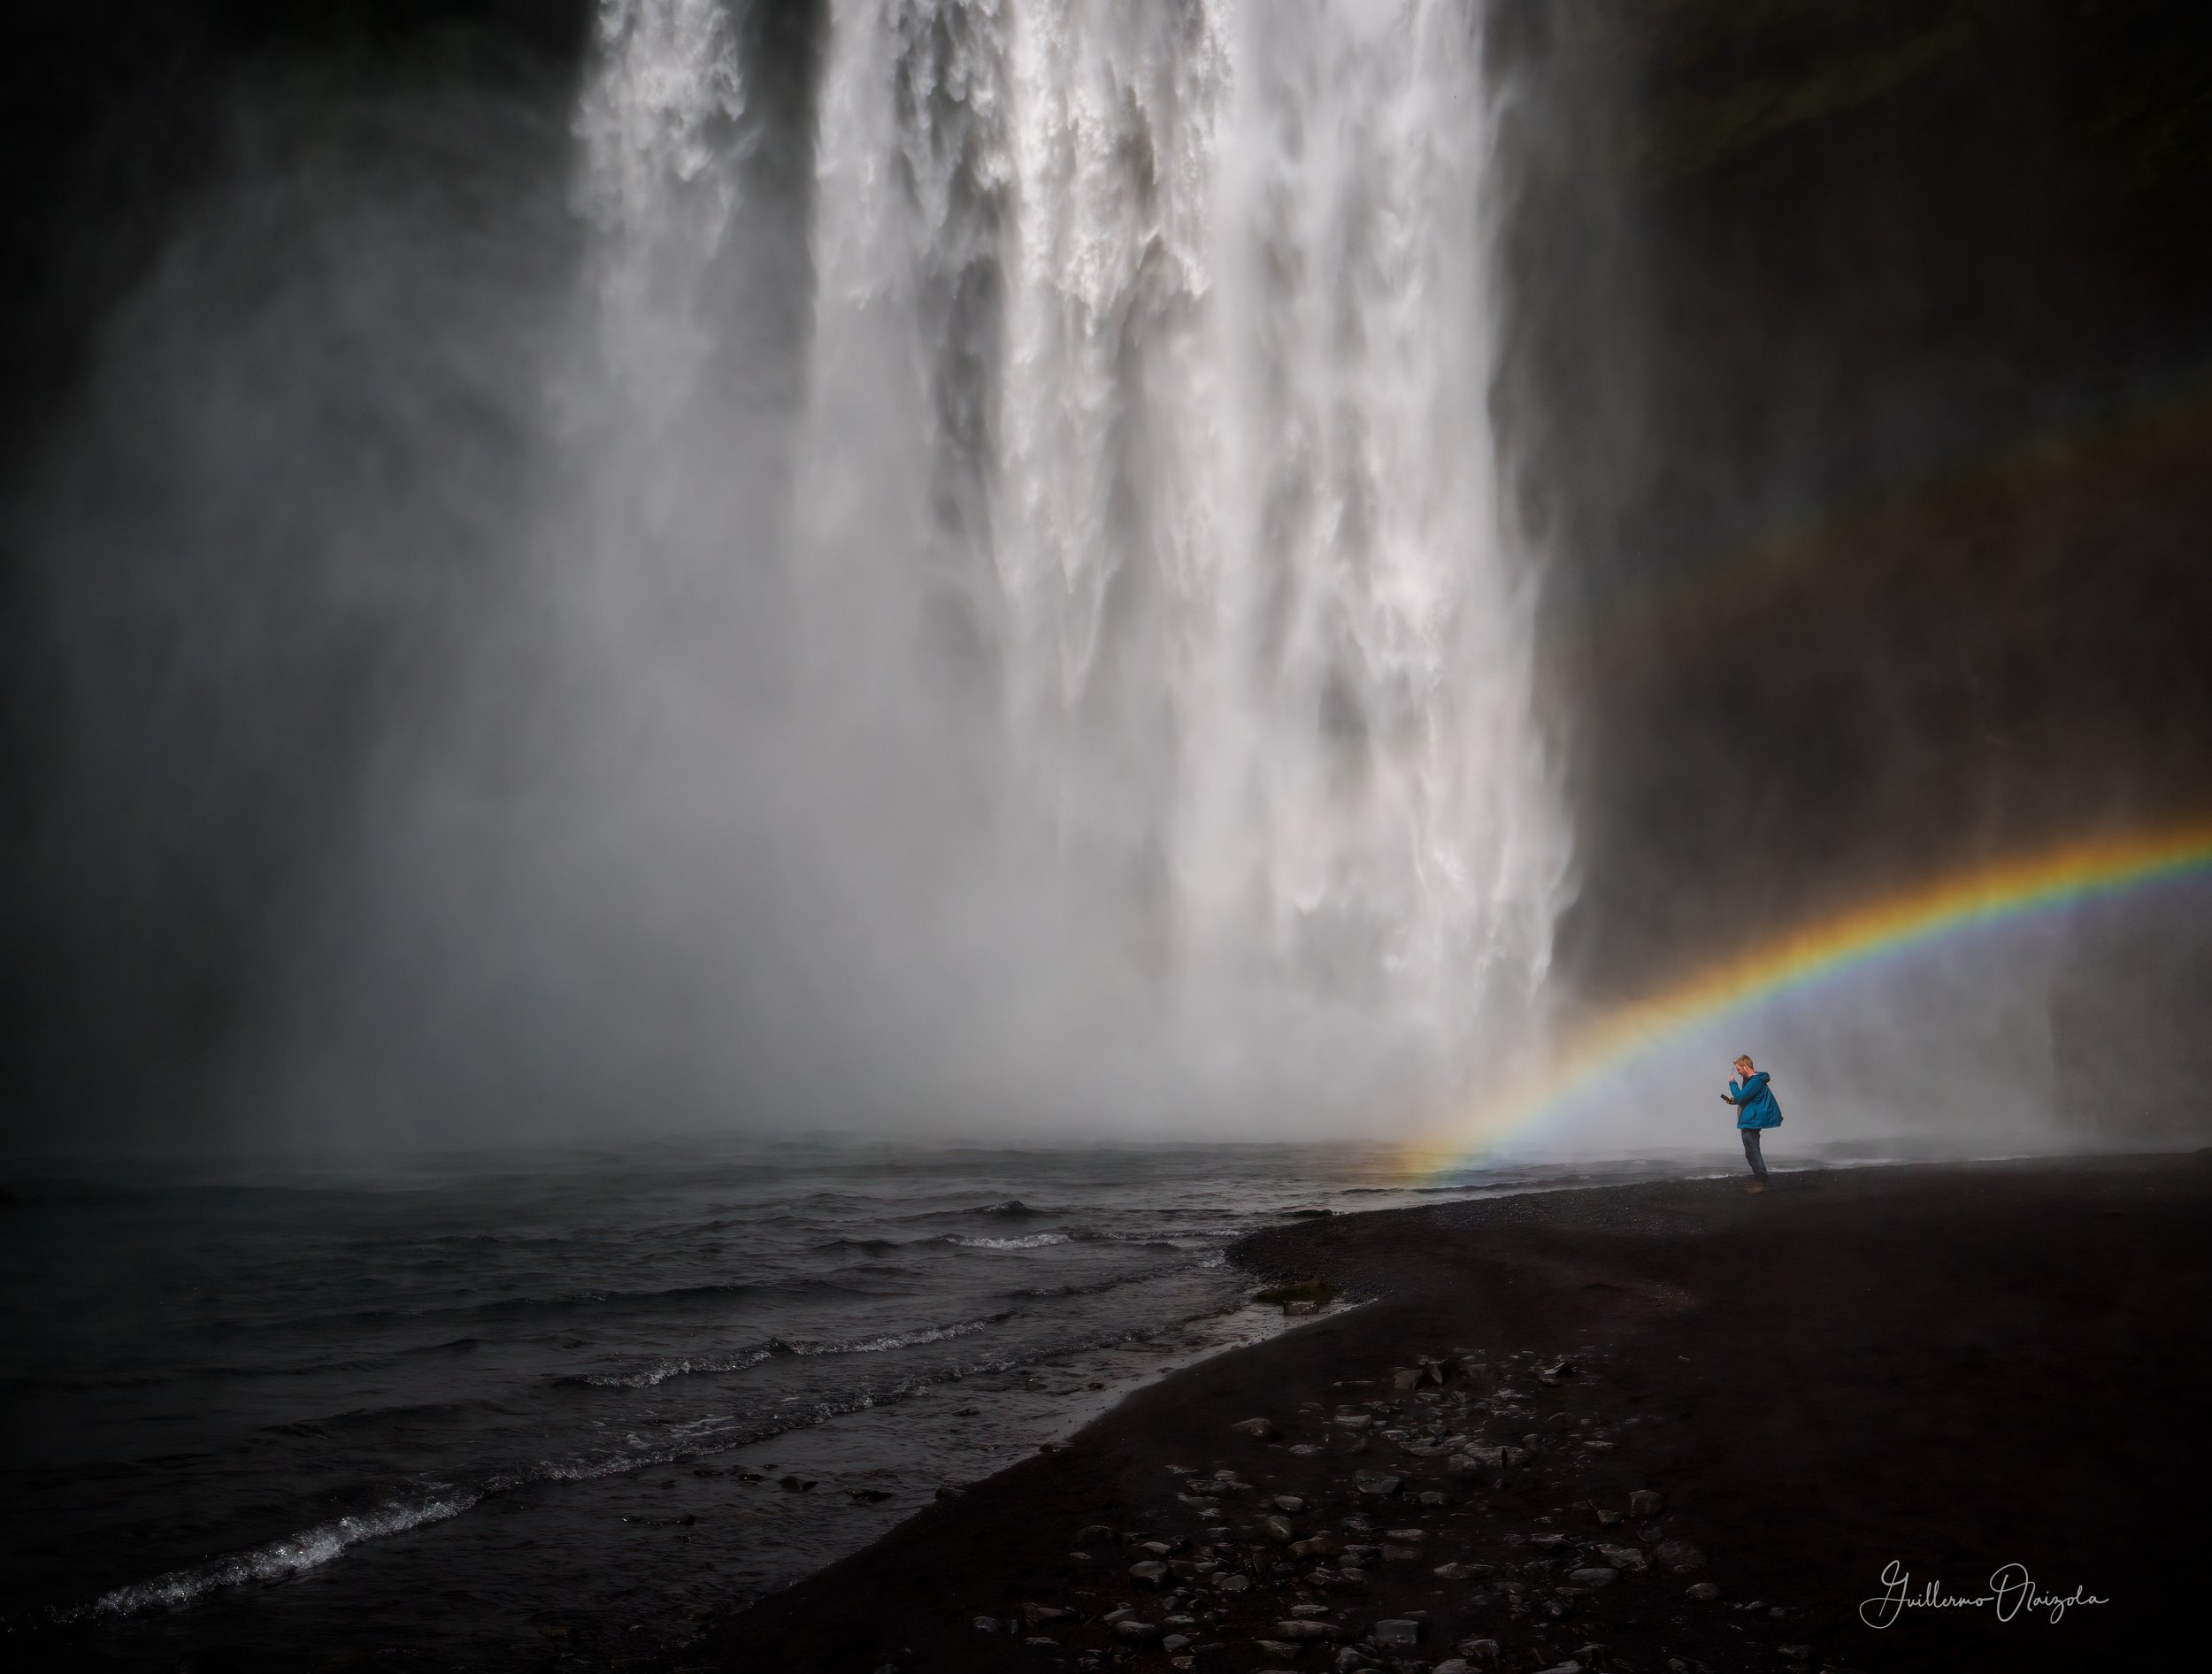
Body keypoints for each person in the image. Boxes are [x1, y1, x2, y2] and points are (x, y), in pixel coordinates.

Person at [1723, 1054, 1782, 1193]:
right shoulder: (1751, 1081)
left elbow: (1741, 1096)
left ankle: (1761, 1180)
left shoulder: (1755, 1082)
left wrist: (1732, 1083)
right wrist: (1735, 1101)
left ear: (1746, 1067)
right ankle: (1759, 1178)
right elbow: (1745, 1098)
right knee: (1750, 1151)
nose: (1737, 1072)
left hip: (1752, 1121)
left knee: (1752, 1150)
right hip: (1750, 1120)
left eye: (1738, 1069)